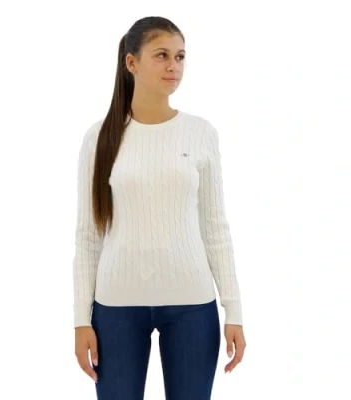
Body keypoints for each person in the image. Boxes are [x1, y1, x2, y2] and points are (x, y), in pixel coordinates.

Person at [73, 16, 246, 400]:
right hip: (116, 306)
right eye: (162, 55)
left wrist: (233, 310)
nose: (174, 66)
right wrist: (80, 320)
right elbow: (88, 237)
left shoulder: (200, 133)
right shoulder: (99, 137)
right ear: (131, 62)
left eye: (180, 56)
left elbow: (215, 227)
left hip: (192, 304)